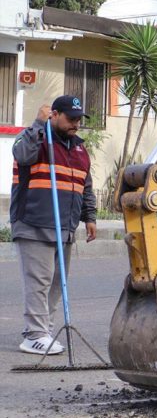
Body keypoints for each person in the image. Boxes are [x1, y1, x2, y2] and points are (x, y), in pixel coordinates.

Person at [11, 95, 97, 355]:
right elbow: (21, 154)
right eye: (71, 119)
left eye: (79, 120)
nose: (76, 124)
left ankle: (44, 330)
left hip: (65, 226)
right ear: (54, 115)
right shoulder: (36, 139)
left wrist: (90, 217)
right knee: (40, 281)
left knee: (57, 282)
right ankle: (34, 335)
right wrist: (38, 123)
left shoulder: (80, 150)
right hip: (34, 223)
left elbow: (86, 186)